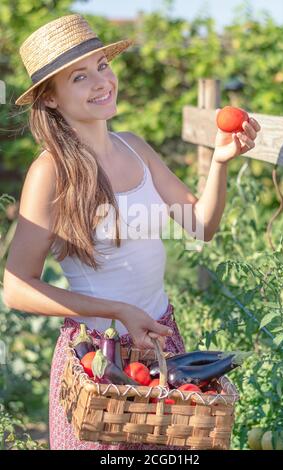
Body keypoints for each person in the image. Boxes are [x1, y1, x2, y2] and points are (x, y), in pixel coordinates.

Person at [3, 14, 260, 450]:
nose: (101, 82)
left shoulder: (134, 146)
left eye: (102, 65)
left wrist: (219, 162)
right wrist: (118, 309)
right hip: (99, 358)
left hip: (161, 340)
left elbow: (202, 225)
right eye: (79, 77)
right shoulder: (51, 172)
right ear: (49, 99)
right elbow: (15, 288)